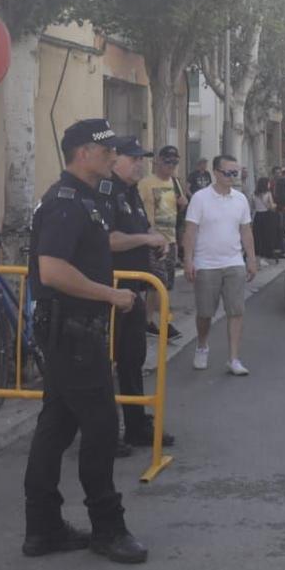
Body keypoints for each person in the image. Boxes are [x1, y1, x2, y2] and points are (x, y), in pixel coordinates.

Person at [21, 118, 148, 565]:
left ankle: (43, 527)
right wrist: (112, 295)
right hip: (73, 333)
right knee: (99, 429)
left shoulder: (87, 199)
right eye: (106, 149)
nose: (113, 155)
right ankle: (107, 528)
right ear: (81, 153)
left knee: (55, 427)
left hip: (72, 332)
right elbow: (53, 271)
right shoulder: (66, 203)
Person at [107, 136, 174, 456]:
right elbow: (110, 240)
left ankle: (135, 426)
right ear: (114, 159)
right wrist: (144, 239)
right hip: (109, 293)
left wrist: (154, 241)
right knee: (105, 364)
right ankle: (106, 429)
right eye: (133, 158)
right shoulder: (106, 193)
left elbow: (142, 231)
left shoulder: (131, 193)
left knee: (132, 360)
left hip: (134, 290)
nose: (139, 163)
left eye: (141, 158)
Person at [183, 152, 257, 376]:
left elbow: (246, 231)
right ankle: (202, 345)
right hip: (206, 264)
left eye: (235, 172)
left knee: (236, 310)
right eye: (228, 172)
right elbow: (190, 231)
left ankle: (233, 358)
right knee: (205, 312)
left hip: (234, 262)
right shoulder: (200, 198)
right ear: (216, 173)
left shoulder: (241, 199)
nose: (232, 176)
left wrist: (251, 259)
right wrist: (188, 260)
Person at [136, 144, 188, 339]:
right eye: (168, 162)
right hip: (153, 241)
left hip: (171, 239)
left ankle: (149, 321)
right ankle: (164, 322)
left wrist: (183, 202)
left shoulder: (175, 182)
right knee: (158, 283)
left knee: (161, 285)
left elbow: (181, 204)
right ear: (157, 161)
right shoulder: (146, 183)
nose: (171, 166)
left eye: (175, 162)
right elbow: (137, 207)